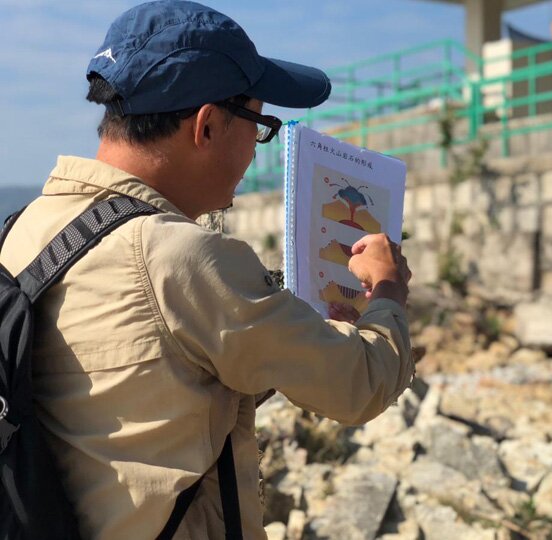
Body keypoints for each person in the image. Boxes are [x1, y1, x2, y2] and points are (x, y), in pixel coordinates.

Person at [0, 1, 414, 538]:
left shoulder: (22, 231)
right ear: (209, 126)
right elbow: (361, 383)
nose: (256, 154)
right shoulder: (180, 257)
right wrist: (387, 290)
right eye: (262, 126)